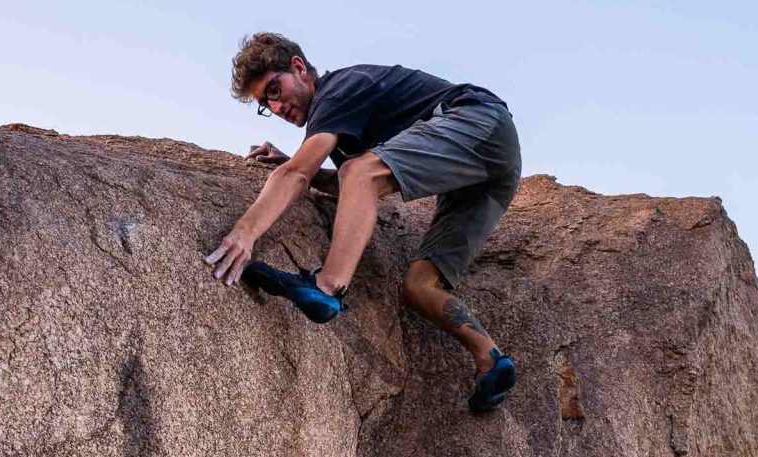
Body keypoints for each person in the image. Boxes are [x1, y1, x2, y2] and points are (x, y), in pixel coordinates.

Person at [205, 32, 523, 412]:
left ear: (299, 67)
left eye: (275, 88)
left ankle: (327, 286)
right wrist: (299, 163)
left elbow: (303, 175)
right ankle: (490, 360)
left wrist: (245, 232)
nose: (275, 106)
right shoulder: (342, 129)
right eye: (264, 103)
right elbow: (351, 187)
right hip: (490, 169)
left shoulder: (337, 90)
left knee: (359, 170)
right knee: (420, 286)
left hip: (475, 119)